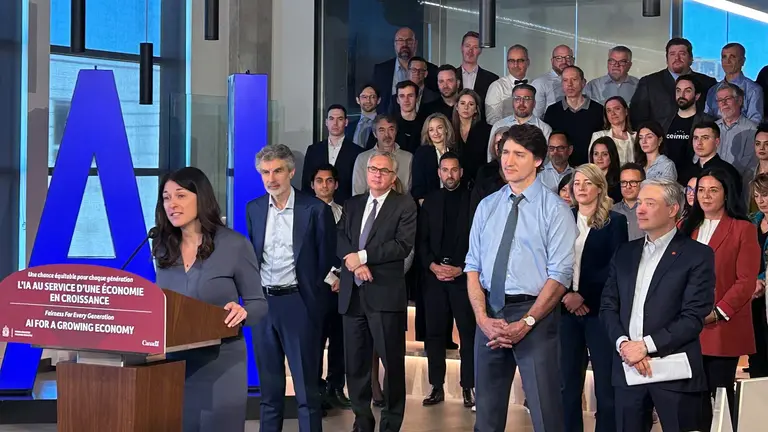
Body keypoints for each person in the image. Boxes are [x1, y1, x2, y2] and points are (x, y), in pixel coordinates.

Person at [466, 124, 577, 432]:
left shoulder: (555, 210)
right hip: (490, 315)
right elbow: (472, 266)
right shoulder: (487, 206)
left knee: (545, 415)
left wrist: (527, 322)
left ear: (538, 160)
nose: (508, 161)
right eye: (505, 153)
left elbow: (560, 277)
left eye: (519, 154)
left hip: (535, 316)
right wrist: (482, 318)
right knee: (486, 417)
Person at [153, 167, 269, 431]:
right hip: (174, 364)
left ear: (201, 198)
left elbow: (258, 304)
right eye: (166, 198)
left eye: (180, 196)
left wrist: (242, 313)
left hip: (221, 363)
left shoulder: (234, 244)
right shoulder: (162, 247)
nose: (172, 204)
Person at [600, 178, 715, 432]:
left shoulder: (697, 255)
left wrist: (645, 346)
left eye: (650, 203)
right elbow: (608, 307)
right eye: (640, 202)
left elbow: (692, 317)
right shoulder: (624, 253)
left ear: (673, 209)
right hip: (628, 369)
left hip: (675, 372)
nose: (640, 209)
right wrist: (624, 345)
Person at [246, 145, 335, 432]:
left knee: (307, 393)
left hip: (299, 304)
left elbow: (325, 261)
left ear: (291, 172)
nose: (271, 178)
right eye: (265, 172)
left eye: (277, 171)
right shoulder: (254, 209)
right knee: (269, 394)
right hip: (263, 306)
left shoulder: (316, 210)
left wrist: (314, 303)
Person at [337, 151, 417, 432]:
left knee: (391, 365)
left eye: (384, 171)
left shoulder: (404, 204)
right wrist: (356, 264)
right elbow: (339, 237)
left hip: (385, 296)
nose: (377, 174)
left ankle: (390, 424)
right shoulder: (353, 204)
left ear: (393, 177)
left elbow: (402, 245)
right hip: (353, 296)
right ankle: (362, 422)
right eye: (373, 169)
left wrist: (363, 257)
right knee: (355, 366)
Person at [681, 168, 760, 430]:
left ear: (726, 194)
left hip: (722, 325)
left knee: (720, 394)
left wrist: (716, 312)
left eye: (713, 190)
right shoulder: (684, 227)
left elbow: (745, 281)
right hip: (687, 327)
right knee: (692, 396)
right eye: (701, 190)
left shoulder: (743, 229)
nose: (705, 196)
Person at [561, 164, 628, 432]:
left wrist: (583, 296)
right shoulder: (563, 218)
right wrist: (567, 295)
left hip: (600, 312)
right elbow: (552, 261)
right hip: (565, 311)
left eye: (587, 183)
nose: (581, 188)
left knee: (605, 385)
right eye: (577, 183)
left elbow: (615, 267)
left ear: (600, 188)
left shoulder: (615, 222)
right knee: (567, 384)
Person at [419, 153, 476, 408]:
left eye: (454, 170)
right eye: (445, 170)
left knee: (467, 333)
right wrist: (432, 266)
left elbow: (479, 240)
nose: (450, 174)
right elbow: (420, 239)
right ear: (439, 173)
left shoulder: (474, 200)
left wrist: (461, 268)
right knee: (434, 334)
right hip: (434, 277)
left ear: (461, 172)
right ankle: (436, 386)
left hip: (463, 277)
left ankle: (468, 387)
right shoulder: (430, 200)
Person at [310, 164, 351, 410]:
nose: (324, 185)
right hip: (316, 288)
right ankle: (316, 391)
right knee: (315, 343)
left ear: (336, 184)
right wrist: (331, 278)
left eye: (329, 181)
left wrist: (343, 277)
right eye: (319, 181)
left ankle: (336, 387)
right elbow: (308, 254)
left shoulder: (345, 212)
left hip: (343, 287)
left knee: (340, 341)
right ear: (312, 185)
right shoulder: (306, 212)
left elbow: (351, 247)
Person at [630, 38, 716, 127]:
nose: (677, 58)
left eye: (682, 54)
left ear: (691, 58)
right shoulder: (649, 83)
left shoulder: (708, 83)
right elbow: (637, 118)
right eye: (672, 54)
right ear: (667, 59)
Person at [748, 173, 768, 378]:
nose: (761, 200)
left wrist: (762, 279)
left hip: (764, 288)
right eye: (757, 196)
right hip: (751, 292)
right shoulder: (751, 221)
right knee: (755, 348)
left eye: (765, 194)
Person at [412, 113, 456, 203]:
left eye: (439, 128)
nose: (436, 133)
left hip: (454, 201)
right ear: (427, 133)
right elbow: (418, 187)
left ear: (446, 129)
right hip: (430, 203)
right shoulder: (422, 153)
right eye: (431, 130)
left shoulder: (455, 152)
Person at [590, 96, 636, 165]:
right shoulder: (598, 136)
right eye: (609, 110)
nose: (613, 113)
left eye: (617, 109)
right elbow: (592, 164)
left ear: (626, 111)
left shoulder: (637, 137)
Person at [612, 163, 646, 240]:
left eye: (633, 182)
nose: (628, 186)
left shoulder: (650, 210)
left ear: (643, 184)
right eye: (624, 182)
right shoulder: (611, 211)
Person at [589, 136, 623, 203]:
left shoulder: (620, 181)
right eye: (596, 154)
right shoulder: (587, 178)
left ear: (612, 156)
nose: (599, 158)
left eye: (604, 154)